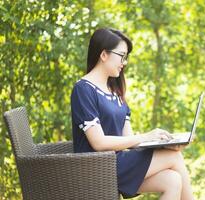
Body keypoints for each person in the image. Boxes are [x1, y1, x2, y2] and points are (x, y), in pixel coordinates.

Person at [71, 28, 194, 200]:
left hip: (117, 163)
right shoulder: (83, 89)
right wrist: (144, 137)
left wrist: (162, 143)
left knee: (173, 180)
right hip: (97, 167)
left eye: (126, 57)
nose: (124, 62)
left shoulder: (115, 91)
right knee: (174, 157)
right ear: (104, 55)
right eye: (121, 56)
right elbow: (98, 142)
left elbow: (129, 140)